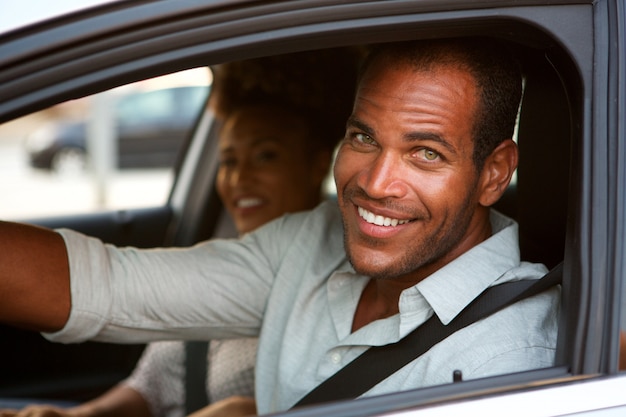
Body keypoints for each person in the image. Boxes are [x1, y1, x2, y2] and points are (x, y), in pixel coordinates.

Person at [0, 37, 560, 415]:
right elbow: (110, 286)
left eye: (426, 154)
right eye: (364, 137)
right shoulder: (309, 240)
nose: (376, 182)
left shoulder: (510, 355)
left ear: (493, 174)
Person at [0, 49, 360, 417]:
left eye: (265, 156)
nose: (240, 178)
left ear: (318, 164)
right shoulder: (228, 264)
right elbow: (150, 384)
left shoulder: (342, 278)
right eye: (229, 161)